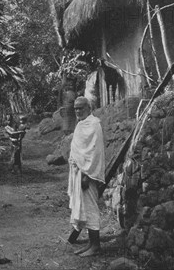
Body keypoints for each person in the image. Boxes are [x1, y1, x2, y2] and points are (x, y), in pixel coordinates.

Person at [66, 96, 106, 257]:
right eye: (75, 108)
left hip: (87, 176)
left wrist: (87, 176)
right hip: (78, 173)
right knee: (83, 208)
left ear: (88, 108)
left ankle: (96, 245)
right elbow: (79, 150)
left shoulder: (94, 124)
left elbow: (94, 153)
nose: (77, 111)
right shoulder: (81, 124)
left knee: (91, 209)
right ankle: (91, 243)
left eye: (81, 108)